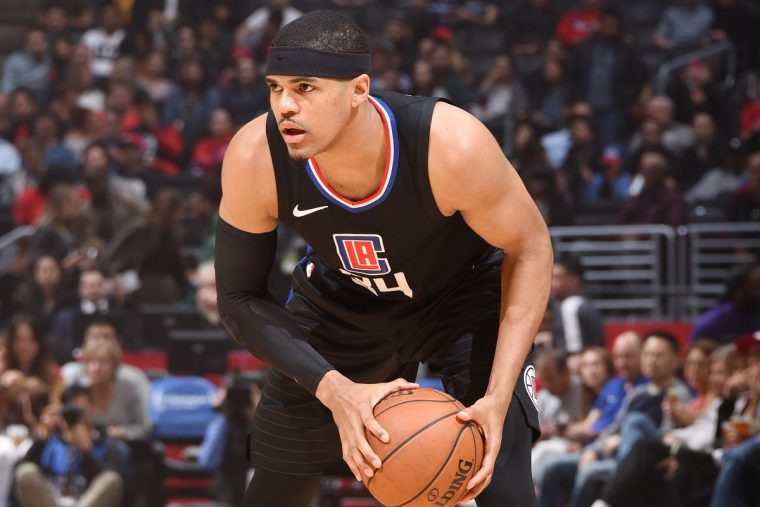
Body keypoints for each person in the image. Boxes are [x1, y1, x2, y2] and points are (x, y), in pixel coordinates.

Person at [215, 10, 553, 507]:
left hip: (460, 297)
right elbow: (238, 297)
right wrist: (335, 390)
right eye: (275, 88)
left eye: (305, 88)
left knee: (501, 485)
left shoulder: (449, 145)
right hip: (343, 300)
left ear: (359, 90)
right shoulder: (255, 156)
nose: (285, 106)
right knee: (273, 492)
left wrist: (497, 397)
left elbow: (530, 247)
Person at [12, 384, 129, 507]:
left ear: (93, 408)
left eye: (81, 410)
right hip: (51, 501)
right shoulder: (50, 440)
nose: (77, 418)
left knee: (111, 479)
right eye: (71, 412)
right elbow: (21, 476)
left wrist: (87, 452)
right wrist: (43, 436)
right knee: (26, 471)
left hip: (86, 502)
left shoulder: (106, 443)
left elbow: (111, 489)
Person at [550, 255, 606, 359]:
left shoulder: (571, 306)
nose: (552, 284)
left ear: (575, 280)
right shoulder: (586, 305)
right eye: (552, 278)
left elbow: (574, 354)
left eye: (557, 278)